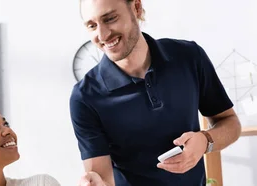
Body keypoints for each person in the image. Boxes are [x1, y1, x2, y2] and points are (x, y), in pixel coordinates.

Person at [70, 0, 242, 185]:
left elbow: (230, 123)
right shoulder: (85, 97)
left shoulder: (189, 57)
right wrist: (95, 182)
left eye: (110, 18)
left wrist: (205, 140)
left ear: (136, 7)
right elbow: (101, 176)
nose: (102, 35)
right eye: (92, 25)